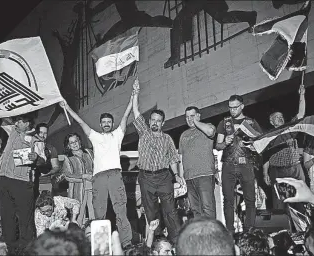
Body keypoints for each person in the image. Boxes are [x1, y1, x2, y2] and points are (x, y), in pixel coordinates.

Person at [61, 85, 134, 248]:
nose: (107, 124)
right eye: (104, 122)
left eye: (109, 122)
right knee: (99, 211)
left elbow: (126, 114)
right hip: (99, 177)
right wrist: (67, 107)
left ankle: (127, 243)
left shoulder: (117, 135)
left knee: (120, 210)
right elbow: (80, 121)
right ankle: (101, 245)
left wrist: (133, 96)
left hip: (115, 175)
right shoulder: (94, 136)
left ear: (112, 123)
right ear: (101, 124)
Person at [132, 79, 182, 244]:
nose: (154, 122)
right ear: (149, 122)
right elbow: (135, 111)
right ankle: (158, 241)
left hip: (164, 178)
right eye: (152, 120)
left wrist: (177, 175)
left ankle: (176, 241)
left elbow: (173, 159)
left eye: (158, 121)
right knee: (151, 211)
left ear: (163, 123)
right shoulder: (143, 133)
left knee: (170, 211)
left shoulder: (167, 139)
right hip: (146, 178)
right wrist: (135, 93)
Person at [215, 94, 262, 232]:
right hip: (228, 164)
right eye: (230, 108)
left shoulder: (251, 122)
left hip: (246, 163)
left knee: (250, 199)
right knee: (228, 200)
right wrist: (225, 142)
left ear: (242, 106)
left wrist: (254, 146)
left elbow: (260, 143)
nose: (233, 110)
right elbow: (218, 146)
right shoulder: (224, 123)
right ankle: (229, 231)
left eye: (235, 107)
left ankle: (250, 231)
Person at [0, 113, 38, 252]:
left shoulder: (36, 138)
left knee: (25, 220)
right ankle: (11, 250)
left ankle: (27, 251)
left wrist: (36, 157)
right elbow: (5, 119)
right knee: (7, 217)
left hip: (21, 181)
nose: (16, 123)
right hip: (4, 178)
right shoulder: (13, 131)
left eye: (20, 121)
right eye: (17, 121)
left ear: (28, 123)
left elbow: (43, 159)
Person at [263, 83, 306, 210]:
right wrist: (265, 173)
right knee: (282, 204)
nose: (280, 118)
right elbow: (265, 156)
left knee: (301, 201)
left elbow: (301, 114)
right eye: (277, 117)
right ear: (271, 122)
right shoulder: (268, 136)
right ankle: (286, 229)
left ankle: (304, 228)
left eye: (281, 116)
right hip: (279, 172)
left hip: (295, 169)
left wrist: (302, 95)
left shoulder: (289, 128)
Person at [179, 106, 217, 218]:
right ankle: (200, 235)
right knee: (195, 210)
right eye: (187, 117)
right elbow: (181, 156)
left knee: (207, 208)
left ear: (198, 115)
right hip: (189, 178)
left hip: (205, 175)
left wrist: (196, 121)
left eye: (192, 116)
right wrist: (181, 177)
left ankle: (212, 234)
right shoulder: (183, 135)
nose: (189, 119)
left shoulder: (208, 126)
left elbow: (211, 132)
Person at [59, 133, 94, 225]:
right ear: (68, 145)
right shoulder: (68, 158)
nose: (74, 144)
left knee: (93, 211)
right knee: (79, 213)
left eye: (76, 141)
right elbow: (68, 176)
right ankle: (78, 234)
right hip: (77, 189)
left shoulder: (89, 153)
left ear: (80, 142)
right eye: (71, 143)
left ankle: (93, 233)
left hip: (93, 187)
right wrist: (84, 176)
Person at [31, 123, 60, 199]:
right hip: (29, 183)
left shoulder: (51, 148)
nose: (42, 135)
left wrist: (47, 173)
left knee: (46, 206)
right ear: (36, 133)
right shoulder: (28, 146)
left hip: (45, 182)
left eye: (45, 133)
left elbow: (56, 167)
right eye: (40, 132)